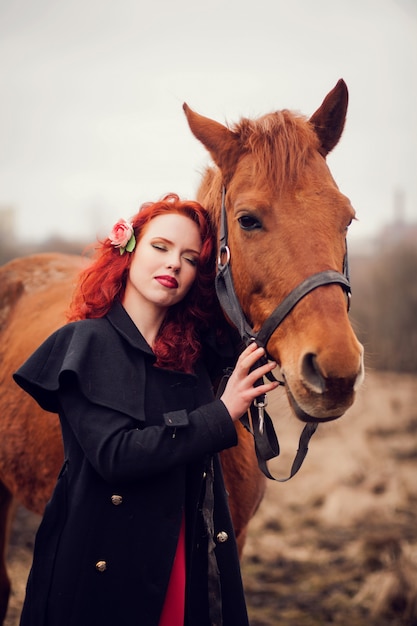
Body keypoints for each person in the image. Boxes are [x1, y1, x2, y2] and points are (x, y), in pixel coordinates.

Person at [14, 193, 278, 626]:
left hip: (181, 557)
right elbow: (115, 455)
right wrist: (221, 412)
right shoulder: (84, 342)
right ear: (128, 252)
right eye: (161, 247)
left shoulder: (193, 359)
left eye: (190, 258)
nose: (174, 263)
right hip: (101, 566)